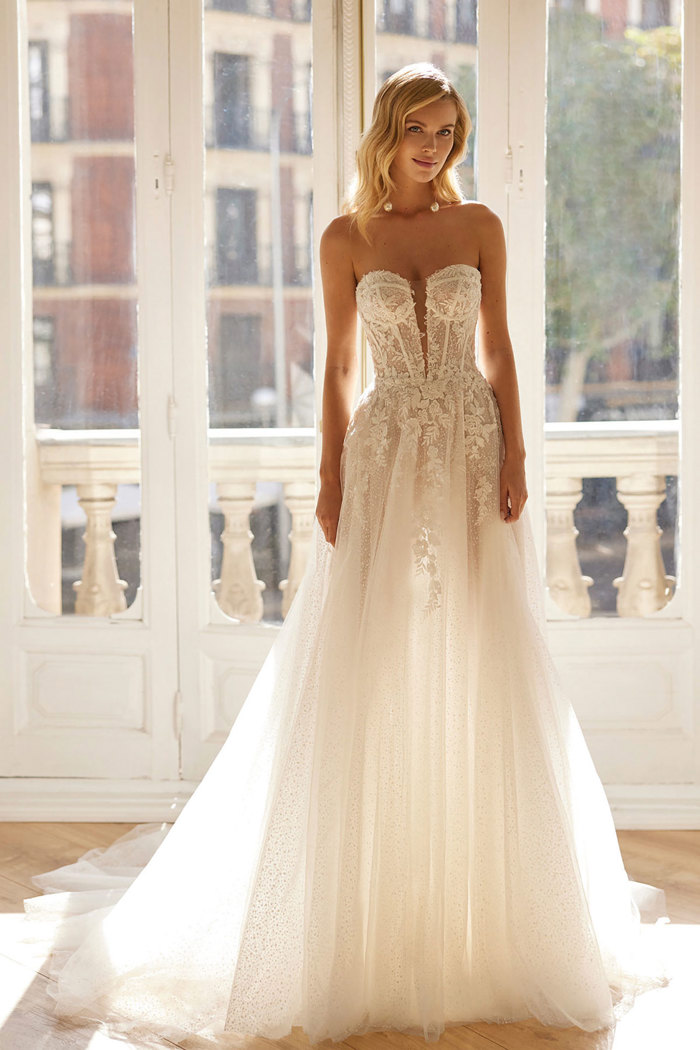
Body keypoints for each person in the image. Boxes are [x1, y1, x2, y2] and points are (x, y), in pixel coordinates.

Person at [21, 63, 668, 1046]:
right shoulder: (345, 237)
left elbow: (498, 351)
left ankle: (488, 911)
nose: (433, 147)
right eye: (417, 128)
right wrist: (327, 477)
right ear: (386, 131)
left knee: (479, 657)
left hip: (466, 445)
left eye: (447, 132)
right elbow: (332, 366)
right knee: (365, 663)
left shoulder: (480, 225)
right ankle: (354, 909)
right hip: (379, 456)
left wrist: (519, 457)